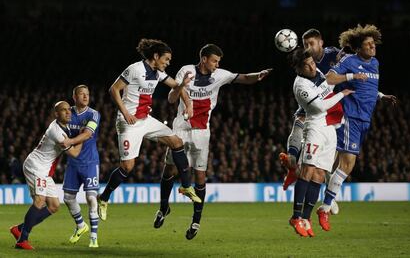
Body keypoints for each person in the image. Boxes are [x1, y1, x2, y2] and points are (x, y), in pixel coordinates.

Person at [153, 44, 272, 239]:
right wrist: (182, 85)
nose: (217, 65)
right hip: (181, 128)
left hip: (202, 133)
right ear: (204, 59)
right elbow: (172, 98)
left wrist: (257, 75)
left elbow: (241, 77)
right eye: (215, 61)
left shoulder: (220, 74)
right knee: (169, 171)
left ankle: (196, 221)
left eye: (218, 62)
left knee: (200, 177)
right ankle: (164, 208)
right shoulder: (187, 71)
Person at [280, 29, 396, 198]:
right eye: (305, 45)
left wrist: (378, 95)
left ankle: (323, 192)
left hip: (333, 103)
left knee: (327, 158)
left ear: (321, 43)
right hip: (314, 100)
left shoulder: (335, 54)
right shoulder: (304, 60)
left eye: (311, 43)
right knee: (299, 121)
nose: (308, 48)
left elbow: (361, 81)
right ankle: (292, 166)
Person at [97, 38, 200, 221]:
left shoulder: (158, 73)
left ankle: (185, 186)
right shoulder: (135, 69)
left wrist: (188, 102)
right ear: (155, 56)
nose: (168, 63)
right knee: (127, 167)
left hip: (146, 120)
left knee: (176, 142)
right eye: (166, 59)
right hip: (129, 122)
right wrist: (125, 112)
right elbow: (114, 90)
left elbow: (176, 86)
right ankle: (103, 198)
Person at [317, 24, 397, 231]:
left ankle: (327, 199)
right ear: (358, 48)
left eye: (373, 43)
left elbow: (369, 86)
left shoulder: (375, 63)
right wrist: (351, 76)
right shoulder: (349, 61)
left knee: (342, 164)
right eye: (367, 44)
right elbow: (329, 78)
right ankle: (325, 206)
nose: (372, 47)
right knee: (346, 163)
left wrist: (382, 96)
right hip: (349, 116)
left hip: (365, 119)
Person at [286, 47, 354, 237]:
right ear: (298, 69)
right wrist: (343, 94)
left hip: (330, 128)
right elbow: (319, 107)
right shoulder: (300, 85)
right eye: (307, 65)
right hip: (315, 127)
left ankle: (306, 219)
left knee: (319, 174)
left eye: (312, 63)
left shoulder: (319, 72)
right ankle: (296, 217)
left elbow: (327, 89)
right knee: (307, 170)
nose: (312, 67)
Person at [9, 101, 82, 250]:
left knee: (54, 206)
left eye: (69, 110)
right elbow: (74, 153)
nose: (68, 112)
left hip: (45, 169)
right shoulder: (56, 131)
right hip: (36, 166)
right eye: (63, 110)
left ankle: (19, 229)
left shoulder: (65, 127)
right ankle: (22, 240)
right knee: (40, 200)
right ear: (56, 114)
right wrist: (84, 136)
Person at [60, 85, 101, 248]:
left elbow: (88, 134)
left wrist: (70, 141)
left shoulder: (93, 114)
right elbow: (59, 127)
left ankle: (93, 237)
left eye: (88, 94)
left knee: (91, 198)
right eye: (82, 94)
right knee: (68, 198)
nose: (85, 97)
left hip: (90, 162)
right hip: (72, 163)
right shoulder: (67, 112)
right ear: (74, 97)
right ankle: (80, 225)